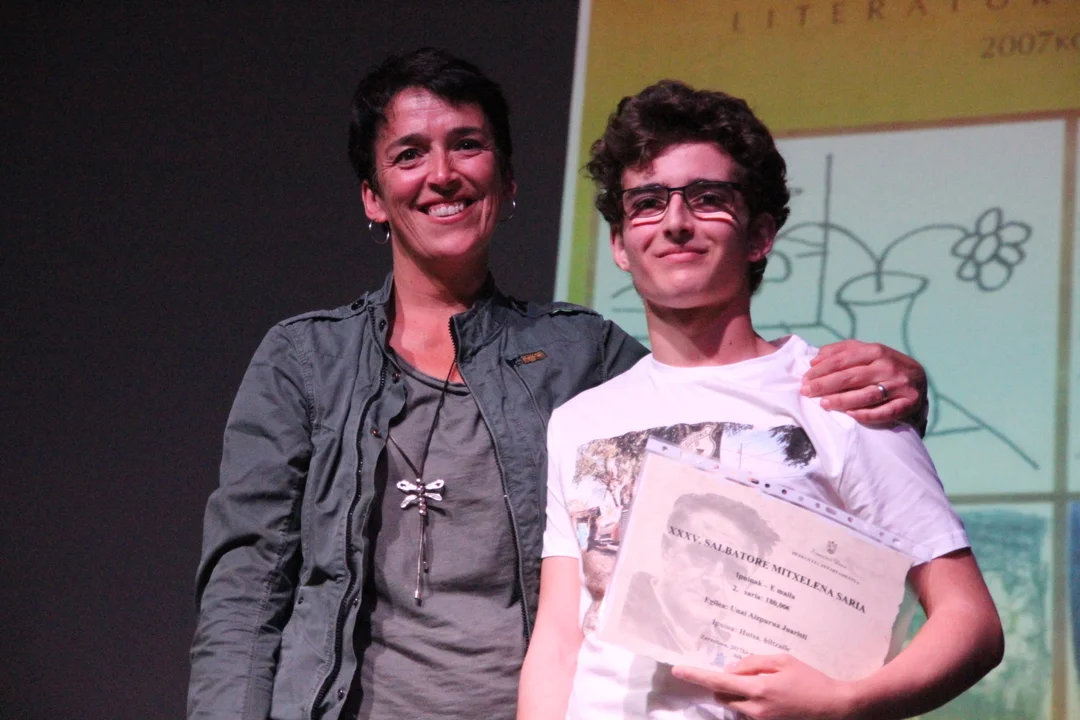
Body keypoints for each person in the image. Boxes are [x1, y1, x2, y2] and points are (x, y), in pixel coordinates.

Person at [187, 49, 930, 720]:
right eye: (409, 154)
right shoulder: (305, 360)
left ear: (507, 181)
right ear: (374, 197)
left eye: (467, 145)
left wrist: (896, 389)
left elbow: (723, 398)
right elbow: (246, 585)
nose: (442, 174)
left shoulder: (581, 354)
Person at [519, 80, 1004, 719]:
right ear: (619, 245)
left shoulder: (839, 393)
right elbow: (560, 640)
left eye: (708, 198)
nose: (676, 222)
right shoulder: (581, 420)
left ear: (760, 235)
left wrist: (847, 702)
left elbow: (970, 619)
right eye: (648, 202)